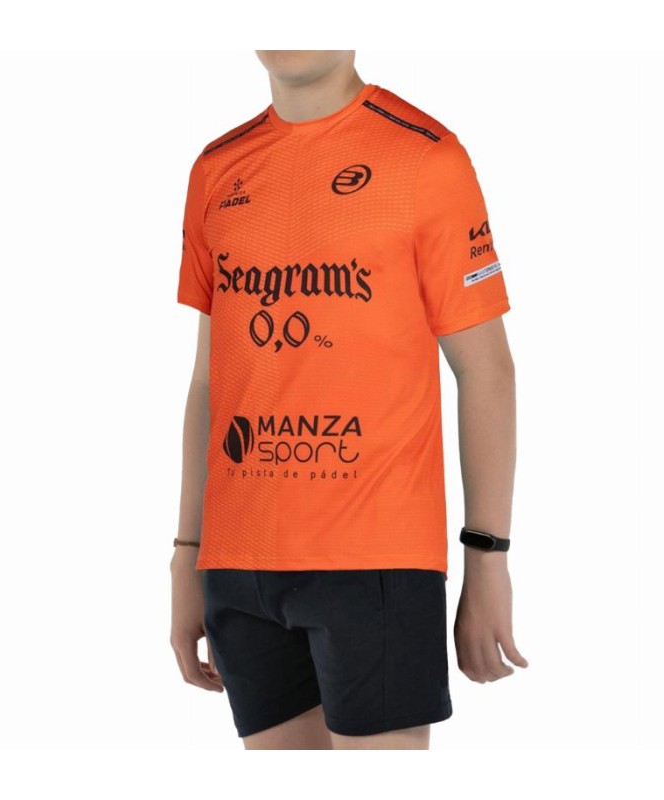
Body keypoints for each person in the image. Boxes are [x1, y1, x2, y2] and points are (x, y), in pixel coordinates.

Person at [169, 50, 528, 751]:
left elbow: (487, 370)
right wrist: (188, 555)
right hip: (241, 563)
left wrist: (488, 558)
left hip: (376, 561)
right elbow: (211, 380)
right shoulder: (216, 168)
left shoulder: (425, 158)